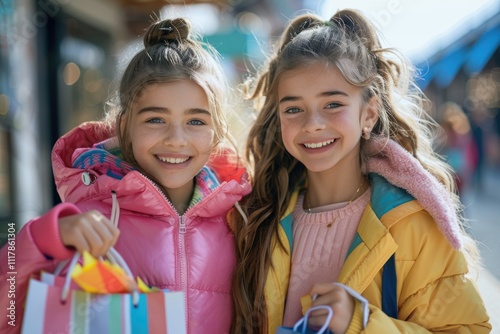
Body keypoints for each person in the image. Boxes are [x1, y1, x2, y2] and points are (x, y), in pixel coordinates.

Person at [230, 9, 491, 333]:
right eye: (293, 109)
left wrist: (364, 323)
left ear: (368, 114)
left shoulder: (412, 223)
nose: (312, 124)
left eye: (333, 104)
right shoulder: (257, 219)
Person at [0, 18, 250, 334]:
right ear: (125, 126)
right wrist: (44, 238)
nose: (176, 138)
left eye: (196, 122)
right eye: (156, 119)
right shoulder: (86, 220)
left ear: (217, 133)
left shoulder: (240, 219)